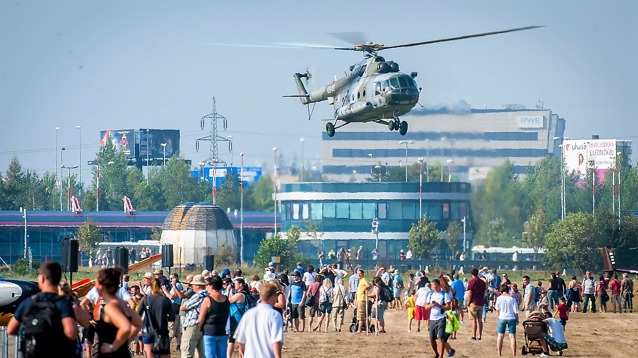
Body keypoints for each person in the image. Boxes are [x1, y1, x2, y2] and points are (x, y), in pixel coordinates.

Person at [7, 262, 81, 357]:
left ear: (42, 278)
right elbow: (71, 333)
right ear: (59, 279)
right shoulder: (63, 303)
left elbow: (10, 329)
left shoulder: (29, 302)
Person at [93, 267, 142, 357]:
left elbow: (126, 327)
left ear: (102, 286)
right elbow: (138, 323)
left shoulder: (111, 307)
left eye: (96, 282)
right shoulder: (121, 304)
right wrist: (124, 342)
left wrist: (113, 347)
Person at [234, 282, 284, 358]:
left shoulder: (249, 314)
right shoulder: (275, 315)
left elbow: (241, 340)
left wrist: (243, 354)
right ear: (273, 297)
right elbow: (276, 341)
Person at [138, 278, 174, 358]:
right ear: (160, 286)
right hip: (162, 332)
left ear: (150, 287)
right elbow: (172, 317)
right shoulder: (165, 300)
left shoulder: (145, 299)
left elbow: (137, 315)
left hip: (148, 332)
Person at [198, 276, 230, 358]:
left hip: (210, 332)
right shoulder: (226, 299)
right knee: (222, 356)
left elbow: (201, 319)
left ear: (211, 286)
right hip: (223, 331)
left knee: (209, 356)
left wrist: (199, 329)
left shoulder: (208, 300)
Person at [180, 274, 209, 358]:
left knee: (187, 352)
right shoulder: (208, 295)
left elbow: (183, 307)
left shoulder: (198, 296)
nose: (192, 286)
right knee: (201, 354)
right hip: (203, 326)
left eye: (193, 285)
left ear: (198, 286)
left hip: (192, 326)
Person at [425, 279, 452, 358]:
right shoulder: (430, 294)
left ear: (438, 285)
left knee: (440, 337)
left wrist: (439, 305)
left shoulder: (444, 294)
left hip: (441, 318)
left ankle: (441, 356)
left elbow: (448, 307)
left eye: (435, 286)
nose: (434, 287)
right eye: (432, 286)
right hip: (432, 318)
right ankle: (436, 353)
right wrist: (431, 305)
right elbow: (426, 307)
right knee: (432, 339)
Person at [228, 277, 251, 357]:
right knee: (241, 341)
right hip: (243, 319)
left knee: (233, 340)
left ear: (240, 285)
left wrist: (228, 290)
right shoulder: (246, 294)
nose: (234, 285)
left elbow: (227, 301)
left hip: (236, 320)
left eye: (235, 284)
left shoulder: (239, 295)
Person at [494, 284, 519, 357]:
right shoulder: (512, 299)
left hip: (502, 318)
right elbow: (516, 311)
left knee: (500, 336)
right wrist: (517, 319)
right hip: (511, 318)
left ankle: (499, 353)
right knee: (512, 337)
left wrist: (498, 318)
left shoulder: (499, 298)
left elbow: (497, 310)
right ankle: (514, 354)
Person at [466, 268, 486, 341]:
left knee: (473, 320)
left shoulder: (471, 281)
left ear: (471, 274)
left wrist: (468, 302)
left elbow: (470, 293)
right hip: (481, 302)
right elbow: (484, 292)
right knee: (480, 320)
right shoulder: (482, 282)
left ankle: (474, 336)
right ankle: (480, 335)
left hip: (474, 302)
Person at [168, 273, 184, 351]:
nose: (171, 280)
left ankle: (167, 344)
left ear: (176, 278)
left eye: (172, 278)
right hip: (177, 307)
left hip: (174, 307)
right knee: (177, 328)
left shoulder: (177, 285)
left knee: (172, 327)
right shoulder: (179, 285)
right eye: (170, 279)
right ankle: (178, 345)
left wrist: (165, 291)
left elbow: (171, 296)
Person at [355, 269, 372, 333]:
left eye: (360, 273)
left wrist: (364, 290)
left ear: (362, 274)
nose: (358, 275)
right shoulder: (361, 280)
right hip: (360, 299)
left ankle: (359, 330)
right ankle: (368, 328)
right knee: (363, 316)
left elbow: (368, 285)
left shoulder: (363, 280)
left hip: (362, 300)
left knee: (361, 315)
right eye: (357, 273)